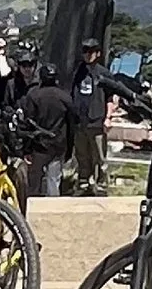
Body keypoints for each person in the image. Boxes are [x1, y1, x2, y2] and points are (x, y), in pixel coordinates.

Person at [17, 59, 76, 196]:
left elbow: (27, 123)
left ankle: (30, 210)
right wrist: (69, 148)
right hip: (58, 144)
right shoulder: (65, 97)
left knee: (34, 181)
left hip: (38, 145)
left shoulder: (33, 95)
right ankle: (52, 211)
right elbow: (72, 124)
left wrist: (26, 149)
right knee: (54, 180)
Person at [67, 40, 113, 193]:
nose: (88, 54)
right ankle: (83, 183)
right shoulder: (77, 72)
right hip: (80, 122)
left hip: (97, 121)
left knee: (99, 157)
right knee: (82, 155)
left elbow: (110, 98)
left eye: (91, 51)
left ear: (98, 53)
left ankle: (101, 186)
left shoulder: (103, 73)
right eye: (85, 51)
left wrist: (108, 118)